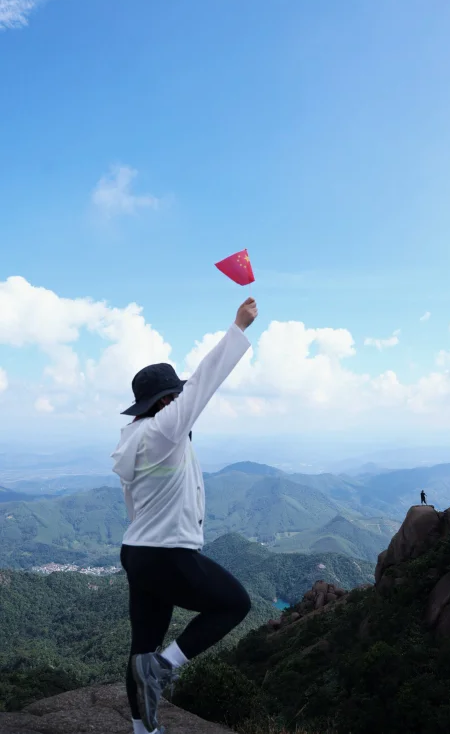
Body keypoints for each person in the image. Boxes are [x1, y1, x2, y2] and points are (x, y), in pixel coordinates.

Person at [112, 298, 258, 734]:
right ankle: (166, 665)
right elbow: (202, 384)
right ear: (165, 402)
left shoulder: (134, 438)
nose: (181, 401)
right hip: (167, 553)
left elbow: (133, 503)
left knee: (141, 648)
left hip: (138, 551)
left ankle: (143, 730)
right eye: (174, 397)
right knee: (235, 603)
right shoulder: (163, 430)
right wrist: (238, 328)